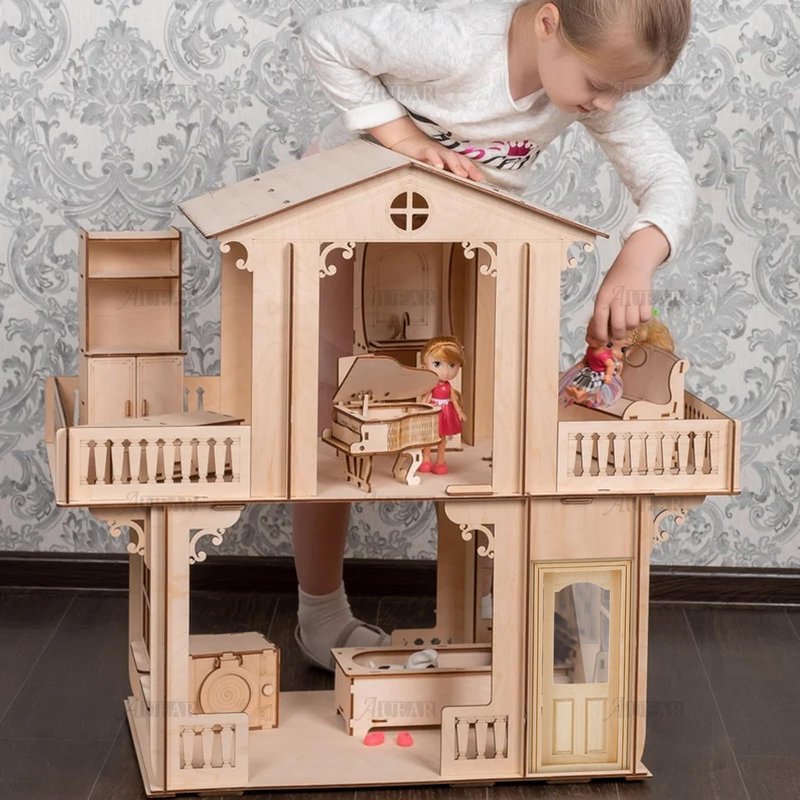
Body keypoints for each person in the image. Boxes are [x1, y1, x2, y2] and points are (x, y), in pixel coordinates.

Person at [293, 0, 696, 670]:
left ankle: (488, 612)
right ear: (548, 24)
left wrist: (638, 255)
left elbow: (667, 176)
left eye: (621, 91)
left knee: (481, 424)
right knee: (334, 413)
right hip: (350, 228)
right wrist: (401, 137)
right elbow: (327, 37)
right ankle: (320, 611)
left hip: (458, 252)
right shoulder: (457, 43)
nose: (606, 104)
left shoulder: (594, 82)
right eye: (600, 85)